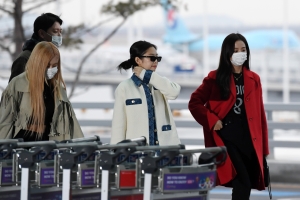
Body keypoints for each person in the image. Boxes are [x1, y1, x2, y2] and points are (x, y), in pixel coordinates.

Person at [188, 33, 269, 199]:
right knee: (243, 182)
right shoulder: (215, 78)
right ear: (227, 53)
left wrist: (264, 148)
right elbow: (194, 103)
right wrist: (211, 119)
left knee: (245, 184)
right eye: (235, 50)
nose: (240, 53)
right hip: (227, 138)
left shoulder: (254, 79)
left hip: (248, 139)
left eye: (243, 49)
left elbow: (260, 114)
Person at [0, 41, 83, 141]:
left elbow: (70, 122)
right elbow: (5, 121)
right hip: (22, 144)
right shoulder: (17, 84)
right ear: (37, 63)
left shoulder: (57, 88)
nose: (51, 69)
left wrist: (83, 146)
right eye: (47, 65)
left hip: (48, 144)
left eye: (55, 65)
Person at [110, 40, 181, 145]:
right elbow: (118, 126)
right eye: (152, 58)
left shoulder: (160, 83)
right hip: (137, 152)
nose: (156, 61)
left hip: (164, 150)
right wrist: (116, 153)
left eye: (158, 58)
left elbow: (174, 92)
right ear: (138, 60)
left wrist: (148, 75)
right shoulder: (124, 87)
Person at [9, 13, 63, 82]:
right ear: (42, 33)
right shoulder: (25, 58)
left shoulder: (52, 58)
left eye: (60, 31)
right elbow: (14, 90)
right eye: (55, 31)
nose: (60, 35)